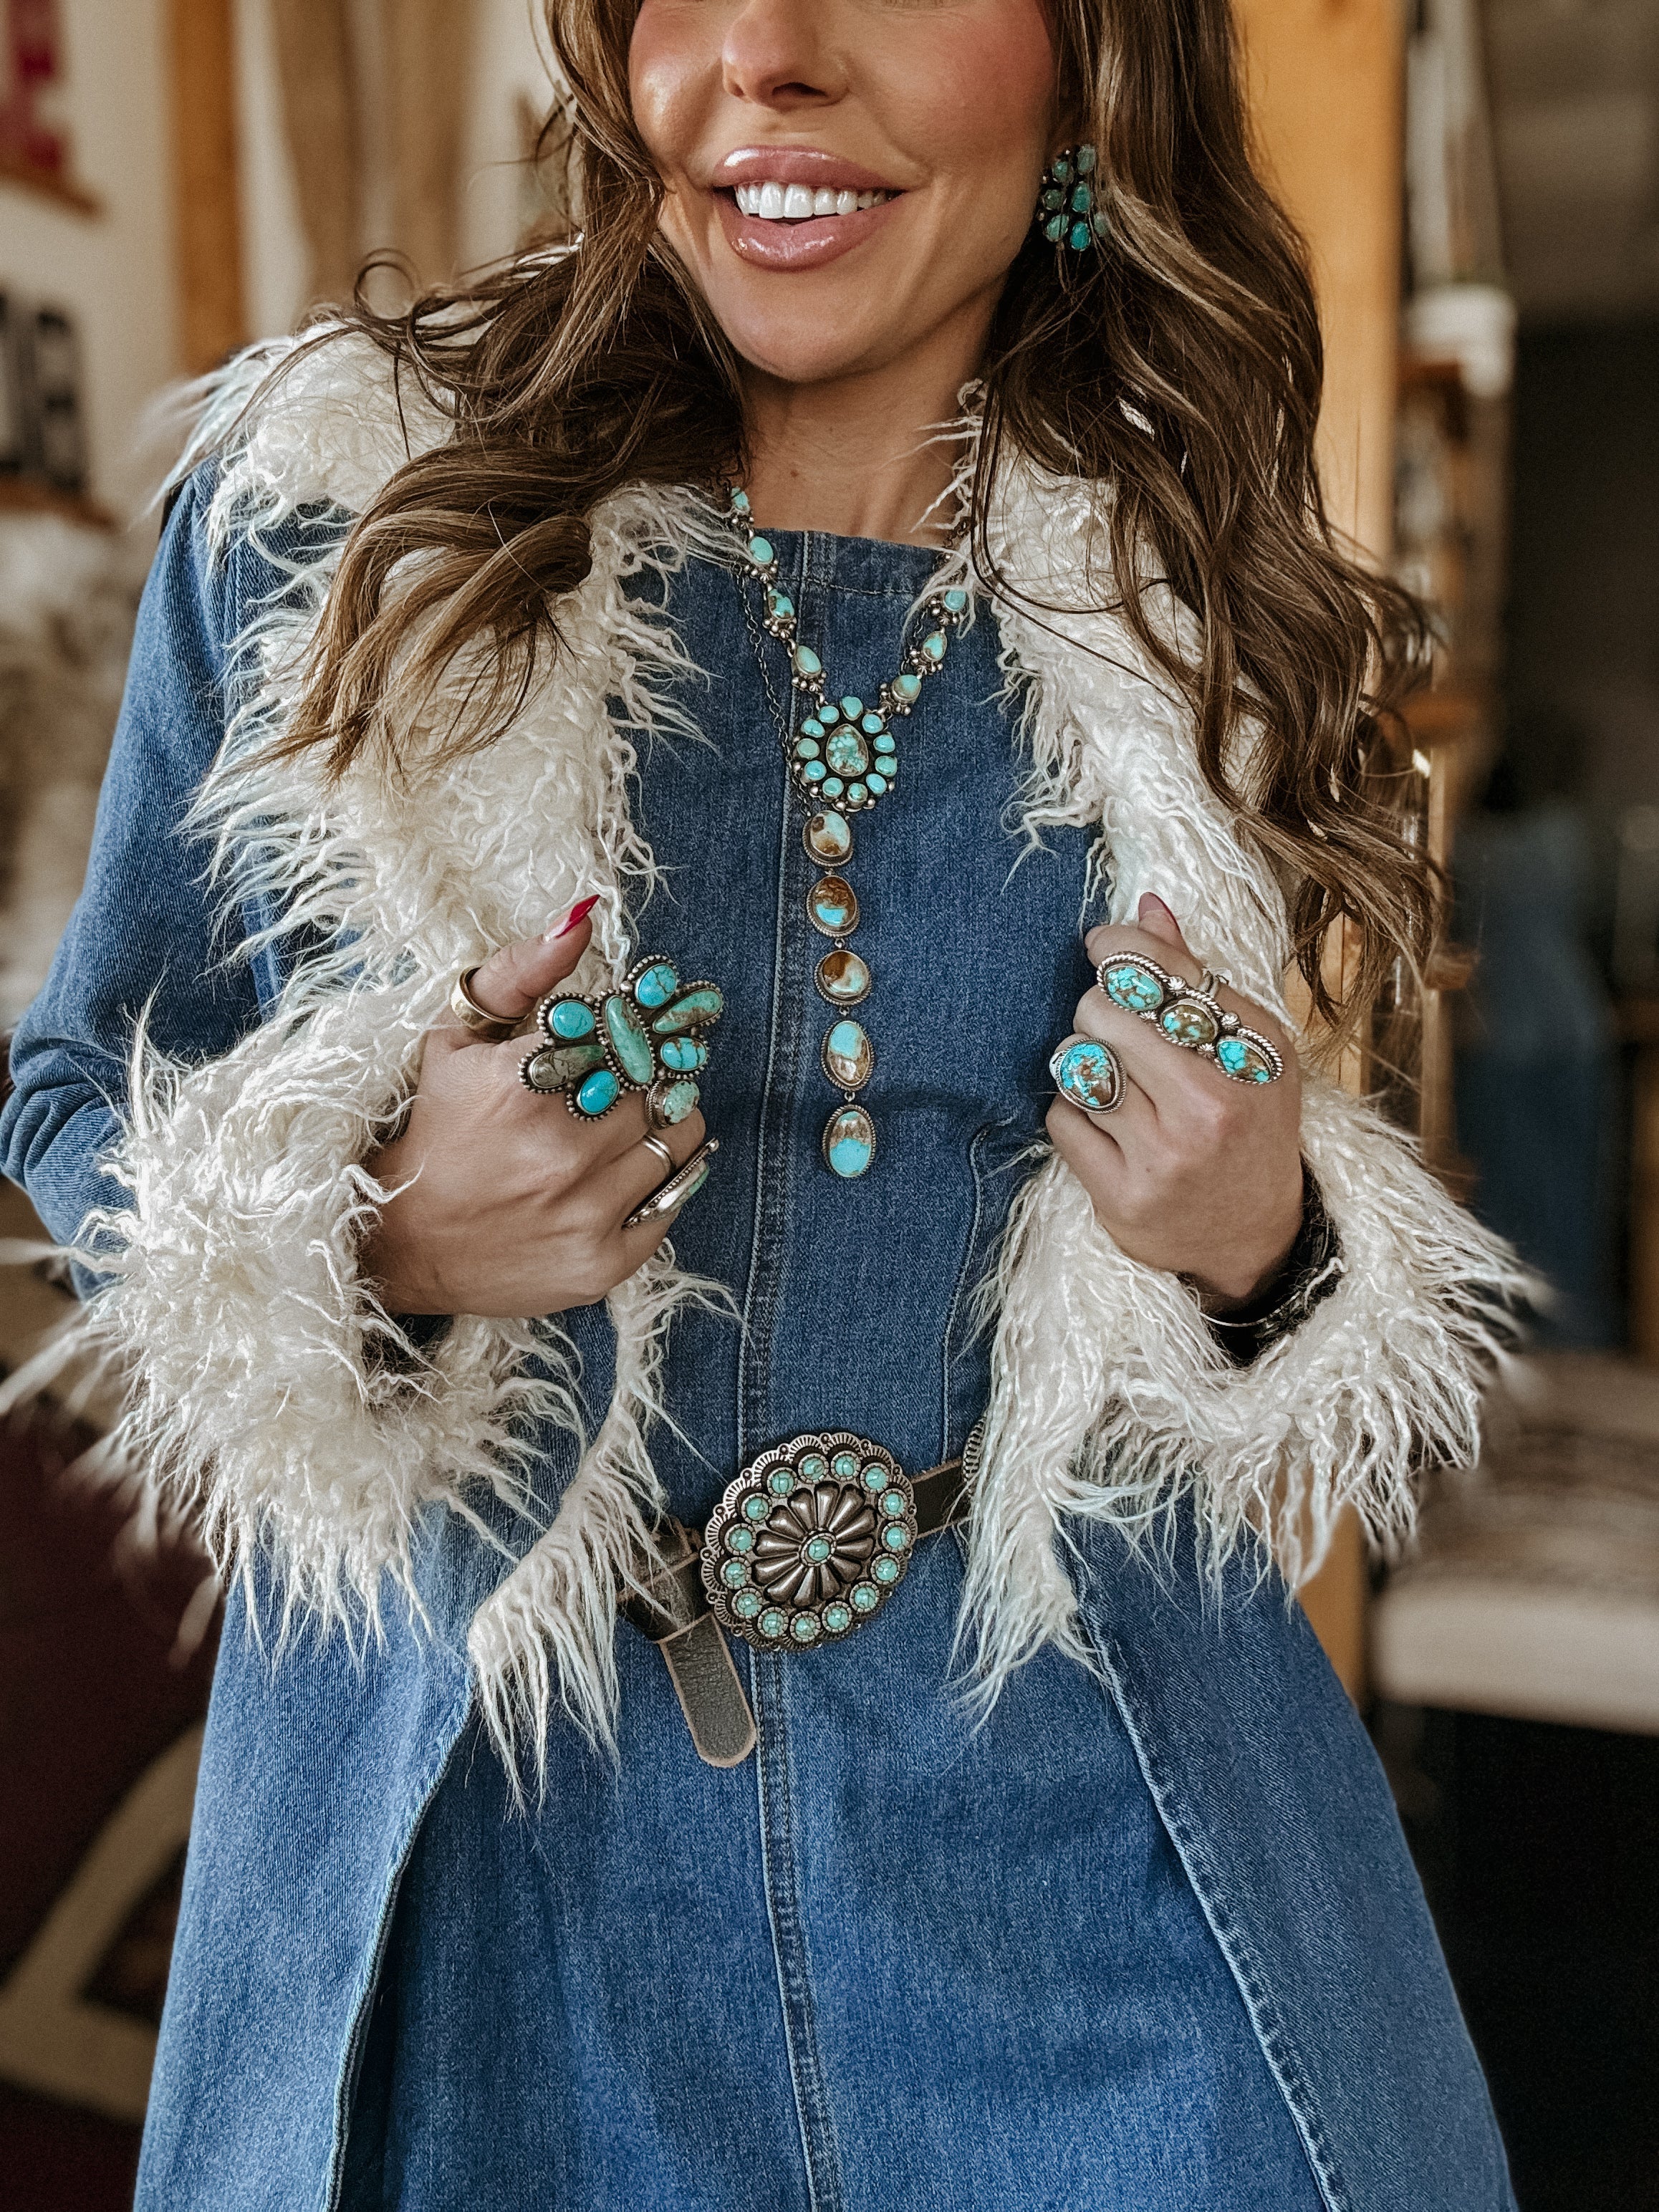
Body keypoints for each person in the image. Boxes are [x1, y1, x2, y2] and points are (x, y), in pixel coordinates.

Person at [1, 0, 1527, 2204]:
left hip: (1086, 1828)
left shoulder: (1188, 579)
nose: (767, 58)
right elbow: (78, 1088)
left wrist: (1265, 1245)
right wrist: (371, 1230)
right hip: (491, 1857)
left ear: (1089, 60)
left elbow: (1260, 1277)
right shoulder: (343, 506)